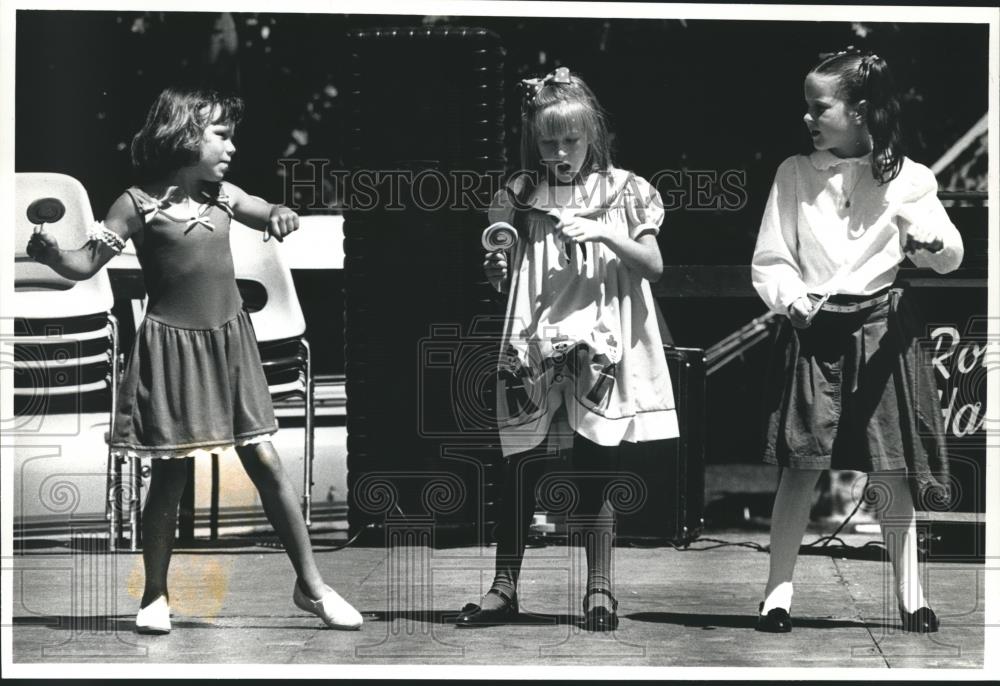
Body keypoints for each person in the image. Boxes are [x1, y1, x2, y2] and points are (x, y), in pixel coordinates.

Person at [26, 87, 363, 634]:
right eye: (221, 135)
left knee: (266, 463)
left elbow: (266, 210)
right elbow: (85, 264)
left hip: (229, 345)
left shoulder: (224, 196)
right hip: (172, 349)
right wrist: (51, 254)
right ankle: (154, 596)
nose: (232, 146)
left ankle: (313, 587)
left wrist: (281, 213)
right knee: (170, 476)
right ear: (184, 134)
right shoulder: (134, 205)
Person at [455, 67, 678, 632]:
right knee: (520, 462)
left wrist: (602, 231)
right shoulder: (519, 193)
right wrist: (496, 268)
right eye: (548, 141)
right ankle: (504, 587)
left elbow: (652, 265)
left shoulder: (626, 191)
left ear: (592, 135)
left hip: (599, 341)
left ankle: (599, 589)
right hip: (535, 337)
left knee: (597, 460)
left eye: (570, 141)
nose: (559, 152)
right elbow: (508, 267)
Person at [751, 48, 963, 634]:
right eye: (807, 107)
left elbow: (951, 253)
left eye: (819, 107)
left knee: (891, 469)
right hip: (815, 329)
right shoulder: (794, 173)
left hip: (880, 331)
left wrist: (928, 243)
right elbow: (772, 259)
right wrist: (790, 297)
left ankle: (912, 596)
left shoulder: (912, 179)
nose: (808, 118)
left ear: (861, 111)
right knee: (800, 464)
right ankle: (777, 593)